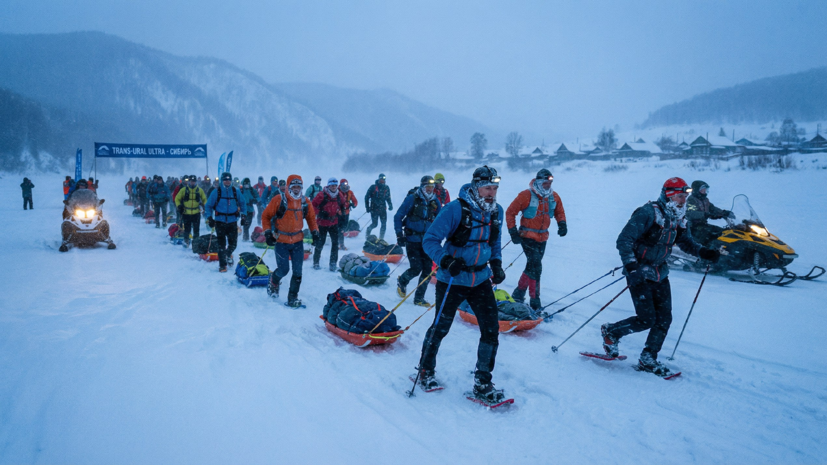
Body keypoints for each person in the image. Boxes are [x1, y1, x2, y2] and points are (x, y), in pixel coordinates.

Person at [601, 177, 721, 377]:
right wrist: (631, 265)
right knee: (646, 318)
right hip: (638, 271)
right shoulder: (648, 212)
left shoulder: (680, 217)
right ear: (670, 195)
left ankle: (648, 358)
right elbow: (624, 240)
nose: (684, 200)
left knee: (664, 318)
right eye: (681, 196)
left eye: (686, 196)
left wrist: (704, 252)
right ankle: (612, 332)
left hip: (660, 272)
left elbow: (687, 242)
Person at [416, 166, 507, 403]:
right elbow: (430, 240)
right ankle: (425, 370)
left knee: (491, 329)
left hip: (480, 280)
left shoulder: (497, 211)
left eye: (495, 188)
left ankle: (482, 383)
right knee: (441, 327)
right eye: (487, 187)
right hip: (452, 279)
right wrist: (445, 260)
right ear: (476, 186)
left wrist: (496, 264)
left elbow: (494, 242)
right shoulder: (454, 209)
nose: (491, 193)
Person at [505, 168, 567, 310]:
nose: (548, 185)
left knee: (532, 266)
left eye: (549, 183)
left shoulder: (553, 196)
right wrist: (513, 231)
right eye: (545, 182)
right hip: (527, 236)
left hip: (543, 237)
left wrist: (562, 224)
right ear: (539, 182)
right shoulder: (526, 195)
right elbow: (510, 212)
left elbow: (559, 211)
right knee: (536, 266)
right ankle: (535, 300)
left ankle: (518, 293)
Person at [262, 175, 321, 307]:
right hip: (281, 241)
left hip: (297, 241)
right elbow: (266, 216)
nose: (296, 189)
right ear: (288, 187)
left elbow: (311, 218)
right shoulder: (279, 200)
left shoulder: (305, 201)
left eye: (298, 187)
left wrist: (315, 232)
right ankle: (274, 280)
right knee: (284, 270)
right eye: (293, 186)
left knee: (298, 272)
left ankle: (292, 298)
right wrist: (267, 233)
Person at [395, 175, 441, 306]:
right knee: (416, 268)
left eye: (432, 187)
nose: (430, 189)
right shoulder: (412, 199)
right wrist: (399, 235)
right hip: (412, 239)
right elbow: (398, 216)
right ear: (422, 186)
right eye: (427, 187)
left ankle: (419, 299)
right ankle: (403, 281)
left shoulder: (435, 202)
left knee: (428, 270)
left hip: (427, 241)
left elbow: (442, 220)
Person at [205, 172, 244, 272]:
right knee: (221, 244)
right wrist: (209, 218)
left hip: (232, 221)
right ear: (222, 181)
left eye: (229, 179)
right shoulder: (216, 192)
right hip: (220, 222)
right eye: (225, 179)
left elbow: (243, 203)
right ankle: (223, 265)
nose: (227, 181)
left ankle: (227, 255)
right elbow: (208, 206)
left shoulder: (236, 191)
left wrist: (243, 215)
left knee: (233, 244)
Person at [311, 177, 347, 271]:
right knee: (320, 243)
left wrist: (343, 211)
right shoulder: (322, 195)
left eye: (335, 185)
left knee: (335, 244)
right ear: (328, 185)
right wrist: (320, 213)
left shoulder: (339, 195)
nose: (334, 187)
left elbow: (343, 204)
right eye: (332, 185)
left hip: (333, 223)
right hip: (322, 223)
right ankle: (316, 262)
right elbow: (313, 205)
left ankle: (333, 263)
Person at [686, 180, 735, 246]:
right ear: (696, 190)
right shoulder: (691, 200)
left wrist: (724, 213)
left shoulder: (705, 200)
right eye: (702, 190)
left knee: (722, 232)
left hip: (703, 225)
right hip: (693, 226)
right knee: (708, 235)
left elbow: (712, 208)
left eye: (705, 190)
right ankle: (704, 251)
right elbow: (691, 213)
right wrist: (704, 214)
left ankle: (722, 250)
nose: (705, 192)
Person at [175, 175, 207, 247]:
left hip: (196, 212)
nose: (192, 183)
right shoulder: (183, 190)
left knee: (196, 229)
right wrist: (179, 206)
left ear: (196, 182)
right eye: (191, 181)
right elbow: (177, 198)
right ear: (189, 181)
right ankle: (186, 241)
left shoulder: (199, 190)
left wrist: (205, 206)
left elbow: (204, 199)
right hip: (186, 212)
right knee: (187, 229)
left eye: (194, 181)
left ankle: (196, 243)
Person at [364, 173, 393, 240]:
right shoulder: (373, 187)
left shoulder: (386, 188)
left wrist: (390, 205)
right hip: (374, 209)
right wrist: (367, 207)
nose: (382, 180)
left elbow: (388, 197)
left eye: (384, 179)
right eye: (381, 179)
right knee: (375, 224)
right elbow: (366, 197)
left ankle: (381, 239)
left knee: (384, 224)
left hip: (383, 209)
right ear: (379, 179)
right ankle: (367, 234)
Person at [337, 178, 358, 250]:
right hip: (338, 213)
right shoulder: (336, 191)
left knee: (344, 227)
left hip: (346, 212)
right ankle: (340, 244)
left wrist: (353, 205)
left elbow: (355, 201)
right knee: (340, 229)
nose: (345, 186)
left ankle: (339, 240)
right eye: (343, 185)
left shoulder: (350, 192)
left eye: (346, 184)